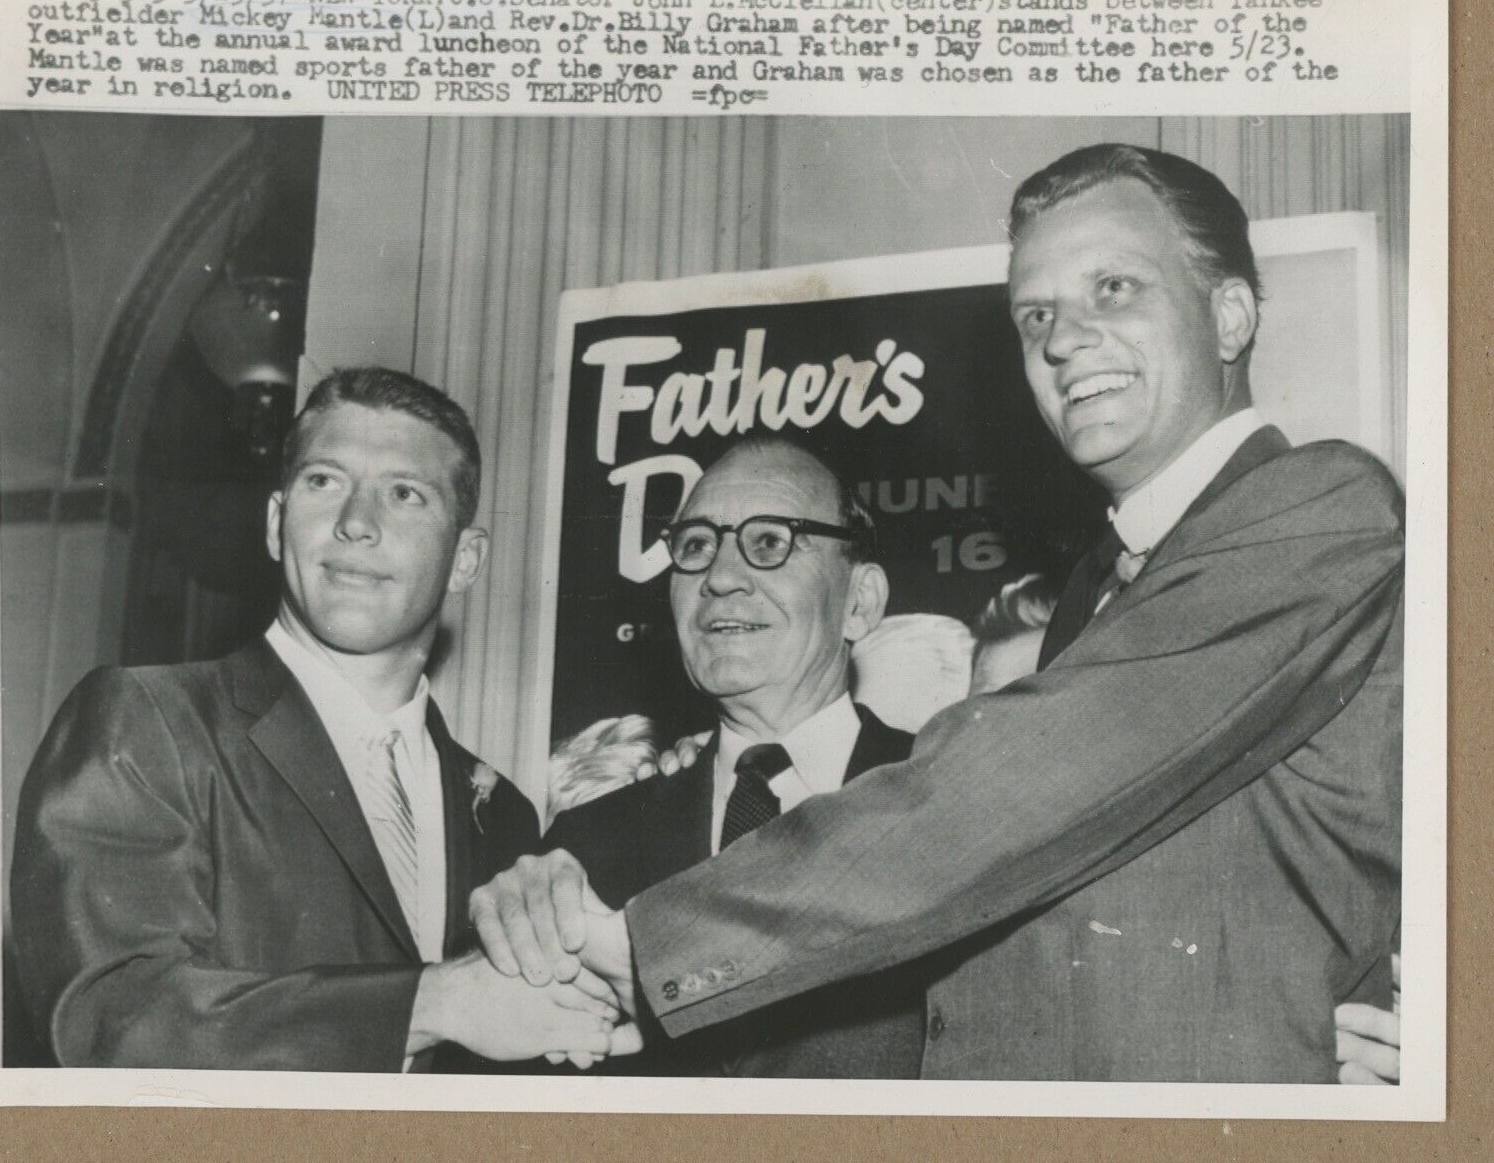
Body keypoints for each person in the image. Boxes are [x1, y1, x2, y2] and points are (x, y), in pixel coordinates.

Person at [471, 144, 1405, 1083]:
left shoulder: (1319, 507)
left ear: (1230, 315)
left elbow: (1014, 791)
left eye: (1114, 288)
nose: (1064, 339)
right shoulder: (1096, 586)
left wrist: (649, 946)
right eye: (1035, 314)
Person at [11, 368, 632, 1071]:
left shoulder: (502, 813)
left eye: (404, 493)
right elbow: (114, 1018)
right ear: (278, 524)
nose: (356, 524)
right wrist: (435, 1003)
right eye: (324, 482)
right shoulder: (148, 722)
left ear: (466, 559)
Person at [539, 436, 926, 1077]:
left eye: (770, 541)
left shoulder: (947, 800)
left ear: (859, 602)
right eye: (695, 545)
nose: (718, 577)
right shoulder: (584, 848)